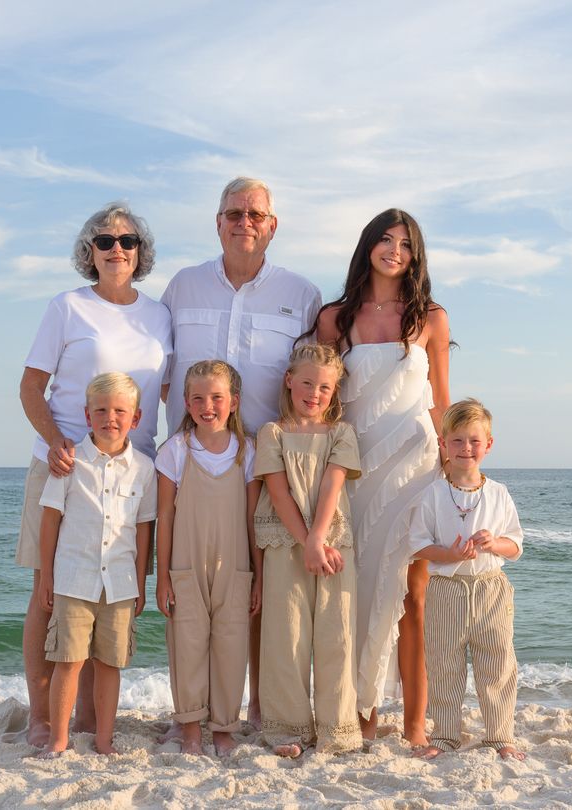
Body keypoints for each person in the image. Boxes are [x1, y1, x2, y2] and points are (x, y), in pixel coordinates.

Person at [161, 176, 320, 726]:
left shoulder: (301, 296)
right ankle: (194, 709)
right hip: (194, 466)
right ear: (217, 222)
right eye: (233, 213)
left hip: (269, 467)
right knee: (191, 589)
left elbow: (315, 382)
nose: (243, 222)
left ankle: (252, 708)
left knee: (254, 587)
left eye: (255, 213)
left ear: (272, 225)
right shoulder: (182, 287)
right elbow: (161, 373)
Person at [16, 202, 171, 746]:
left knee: (111, 596)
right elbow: (31, 386)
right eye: (104, 241)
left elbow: (166, 392)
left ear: (140, 253)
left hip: (133, 474)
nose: (116, 250)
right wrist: (59, 441)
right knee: (49, 591)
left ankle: (86, 720)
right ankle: (42, 716)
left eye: (127, 242)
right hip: (66, 465)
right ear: (89, 252)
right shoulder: (67, 307)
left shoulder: (158, 315)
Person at [313, 208, 451, 747]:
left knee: (411, 596)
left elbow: (441, 403)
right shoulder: (334, 318)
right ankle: (360, 715)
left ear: (416, 255)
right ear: (368, 244)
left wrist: (455, 472)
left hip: (416, 468)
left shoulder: (431, 318)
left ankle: (414, 727)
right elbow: (320, 400)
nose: (395, 250)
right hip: (355, 470)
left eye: (406, 243)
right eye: (386, 239)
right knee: (355, 594)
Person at [35, 373, 156, 757]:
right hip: (74, 579)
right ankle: (59, 739)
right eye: (101, 410)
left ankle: (104, 741)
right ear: (88, 416)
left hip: (120, 585)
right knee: (67, 661)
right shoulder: (69, 462)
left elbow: (143, 531)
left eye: (120, 411)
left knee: (109, 664)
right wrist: (47, 577)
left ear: (135, 419)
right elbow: (51, 519)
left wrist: (140, 584)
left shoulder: (144, 469)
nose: (111, 418)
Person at [253, 343, 363, 757]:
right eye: (306, 383)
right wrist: (305, 542)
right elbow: (278, 494)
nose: (314, 393)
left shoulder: (341, 433)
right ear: (289, 381)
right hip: (285, 544)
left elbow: (333, 485)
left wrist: (318, 541)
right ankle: (289, 729)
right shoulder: (272, 433)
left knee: (337, 634)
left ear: (334, 392)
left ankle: (337, 729)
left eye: (325, 388)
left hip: (334, 544)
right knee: (287, 635)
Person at [407, 398, 525, 761]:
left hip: (491, 587)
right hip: (447, 588)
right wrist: (450, 554)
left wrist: (495, 543)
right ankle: (444, 735)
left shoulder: (499, 493)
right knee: (444, 663)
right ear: (443, 444)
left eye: (474, 441)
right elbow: (419, 546)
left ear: (488, 445)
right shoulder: (432, 494)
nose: (466, 448)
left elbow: (515, 545)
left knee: (497, 661)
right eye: (457, 441)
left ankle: (499, 735)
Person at [155, 360, 262, 756]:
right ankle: (189, 729)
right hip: (185, 564)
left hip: (235, 565)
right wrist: (162, 576)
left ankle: (223, 727)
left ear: (233, 401)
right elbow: (165, 516)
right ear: (185, 402)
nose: (207, 406)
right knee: (187, 642)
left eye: (216, 397)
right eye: (198, 398)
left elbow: (253, 518)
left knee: (231, 643)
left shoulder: (247, 451)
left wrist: (259, 576)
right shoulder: (176, 452)